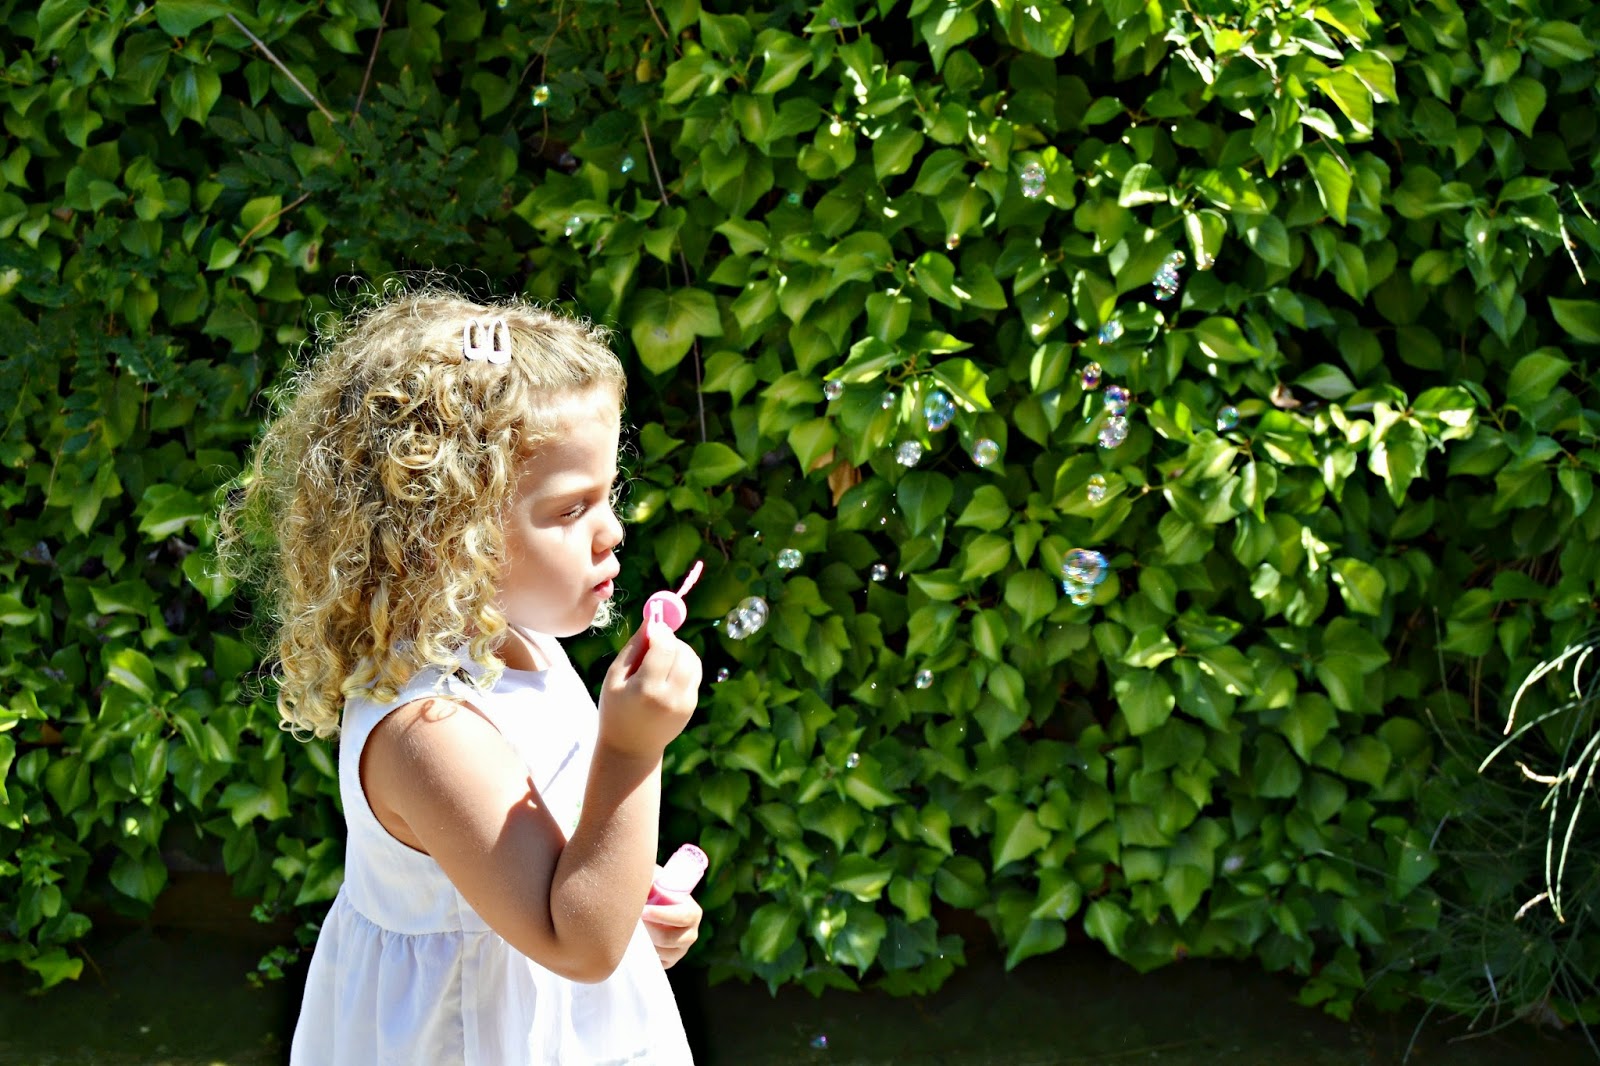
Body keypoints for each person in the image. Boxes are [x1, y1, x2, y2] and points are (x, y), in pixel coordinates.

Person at [221, 285, 702, 1064]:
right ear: (447, 534)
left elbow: (565, 890)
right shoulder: (428, 732)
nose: (613, 529)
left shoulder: (523, 646)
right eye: (571, 508)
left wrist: (627, 907)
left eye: (608, 493)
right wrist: (635, 748)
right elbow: (573, 942)